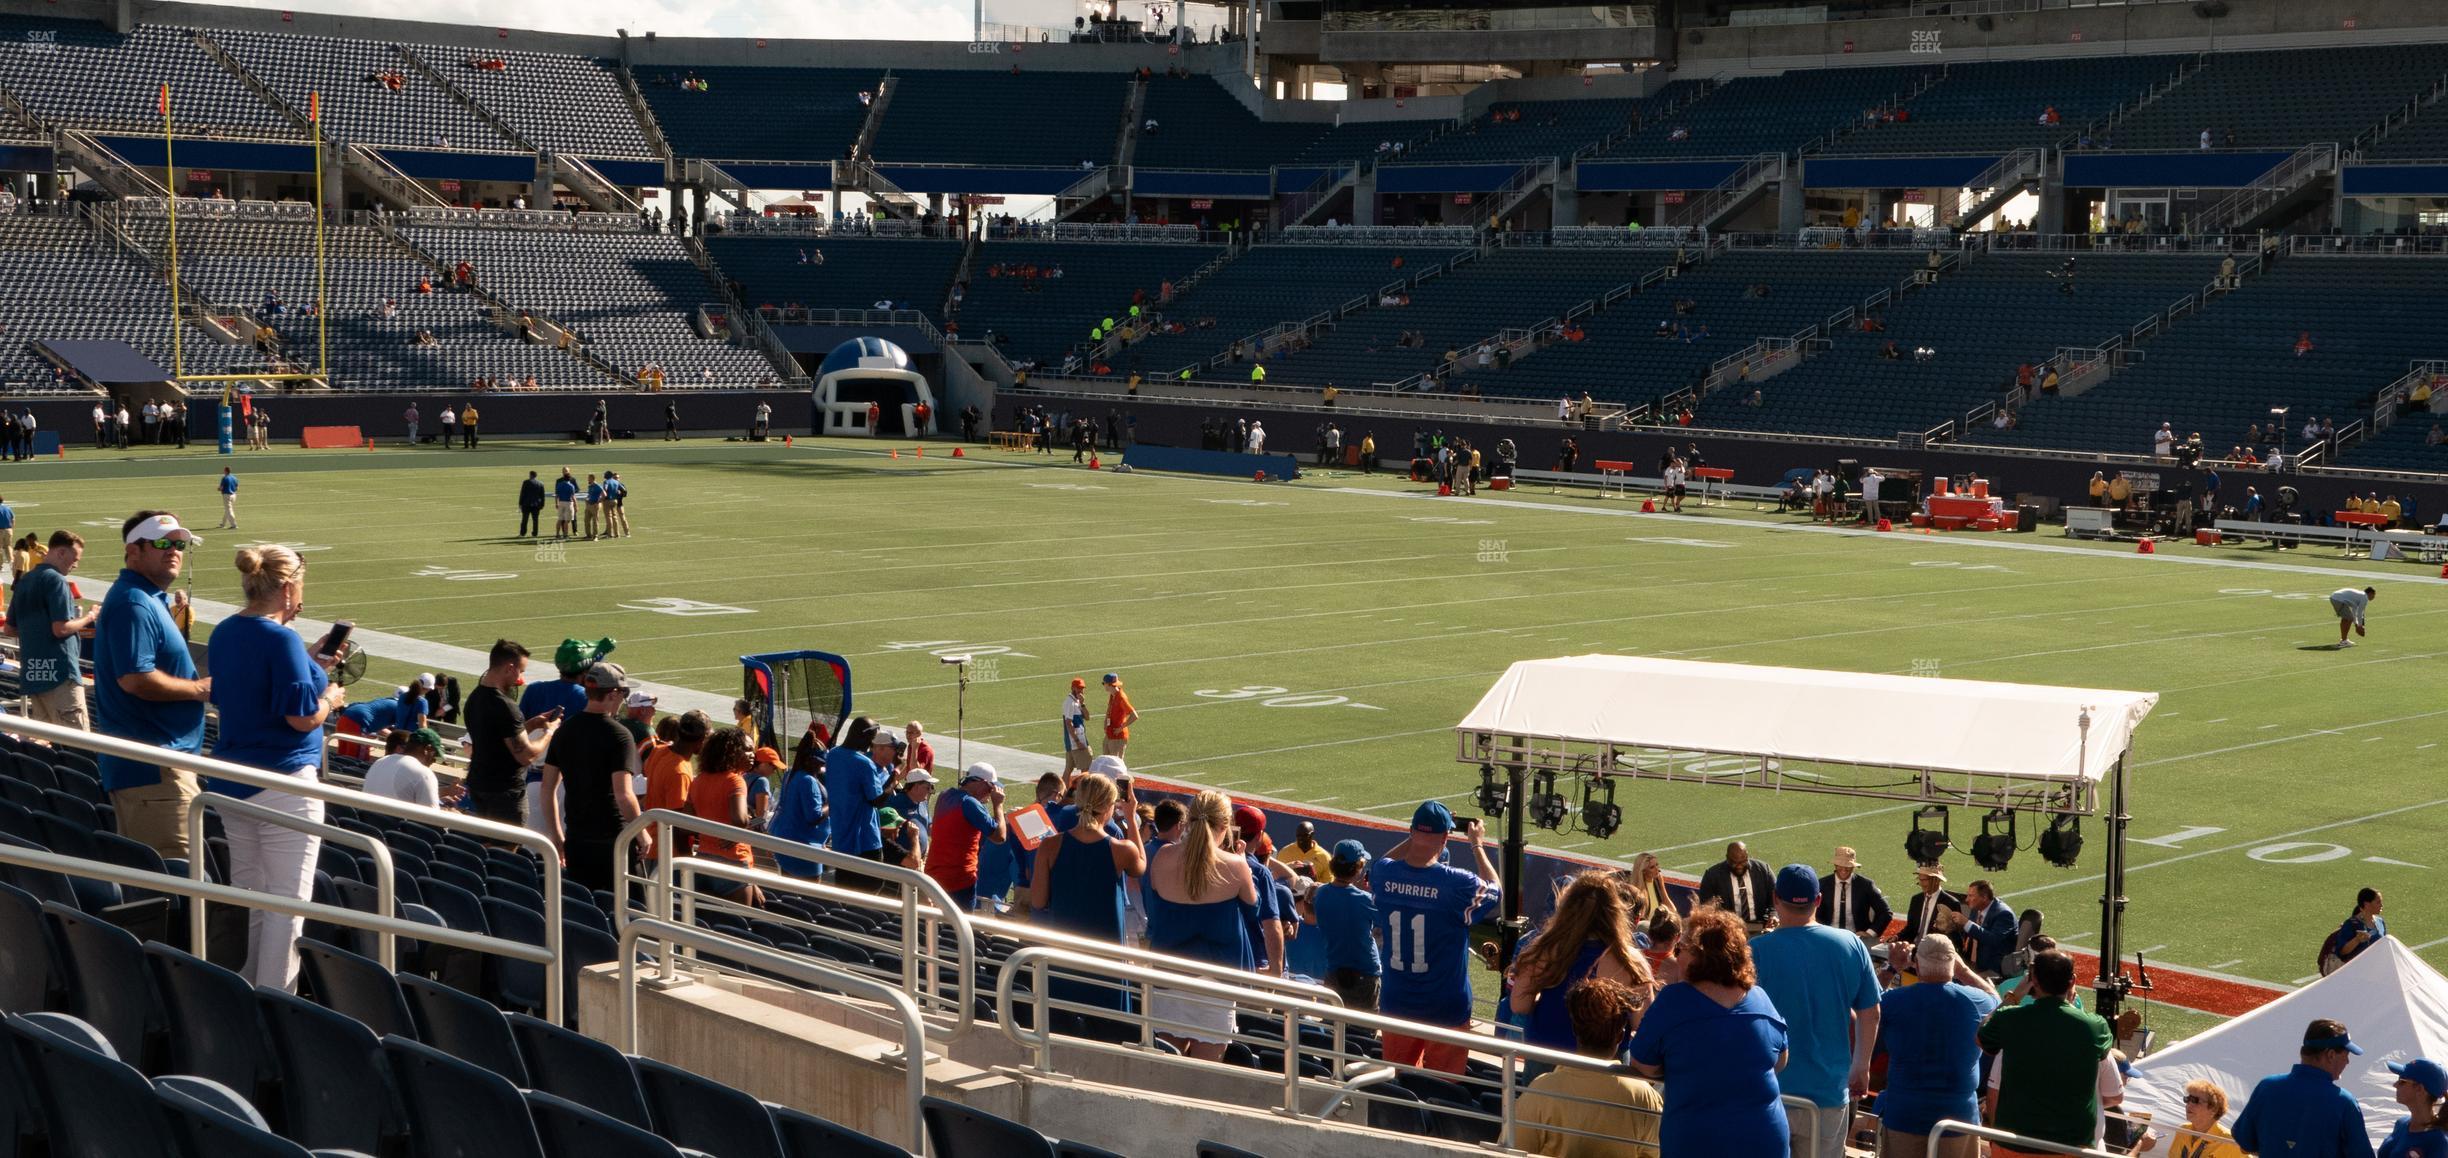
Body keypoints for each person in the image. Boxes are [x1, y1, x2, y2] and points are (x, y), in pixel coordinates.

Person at [205, 544, 350, 989]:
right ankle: (273, 1001)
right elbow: (302, 717)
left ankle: (249, 985)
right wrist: (330, 697)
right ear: (287, 588)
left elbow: (248, 685)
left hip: (232, 780)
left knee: (253, 898)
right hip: (283, 782)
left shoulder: (227, 630)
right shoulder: (281, 638)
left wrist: (309, 663)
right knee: (287, 906)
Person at [93, 511, 211, 859]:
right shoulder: (134, 602)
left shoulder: (147, 598)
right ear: (133, 551)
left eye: (178, 544)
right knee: (176, 881)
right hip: (155, 766)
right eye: (161, 543)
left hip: (159, 763)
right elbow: (135, 679)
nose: (173, 550)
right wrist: (200, 690)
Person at [1625, 905, 1789, 1156]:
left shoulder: (1674, 1000)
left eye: (1681, 949)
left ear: (1700, 957)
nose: (1676, 956)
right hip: (1764, 1140)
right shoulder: (1760, 998)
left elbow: (1642, 1064)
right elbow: (1780, 1060)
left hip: (1699, 1143)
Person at [1750, 865, 1878, 1158]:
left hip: (1769, 1091)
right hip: (1827, 1094)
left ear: (1775, 898)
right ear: (1819, 900)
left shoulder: (1755, 951)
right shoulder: (1850, 944)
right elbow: (1871, 1011)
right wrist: (1861, 1066)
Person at [1371, 801, 1500, 1073]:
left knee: (1396, 1084)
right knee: (1442, 1089)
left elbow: (1383, 863)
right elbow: (1495, 889)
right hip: (1445, 1005)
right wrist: (1477, 845)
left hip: (1397, 1001)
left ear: (1411, 831)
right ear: (1445, 837)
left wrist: (1415, 838)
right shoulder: (1458, 883)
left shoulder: (1384, 874)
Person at [1144, 790, 1259, 1061]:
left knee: (1164, 1067)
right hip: (1216, 983)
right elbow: (1254, 909)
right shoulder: (1235, 866)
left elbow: (1156, 899)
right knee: (1205, 1076)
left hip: (1169, 975)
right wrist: (1243, 864)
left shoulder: (1162, 857)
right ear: (1224, 826)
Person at [1028, 772, 1147, 1017]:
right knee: (1106, 1031)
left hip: (1064, 955)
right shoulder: (1121, 849)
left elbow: (1038, 901)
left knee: (1063, 1027)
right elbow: (1141, 865)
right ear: (1109, 807)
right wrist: (1131, 818)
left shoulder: (1050, 845)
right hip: (1106, 959)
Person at [1978, 949, 2115, 1155]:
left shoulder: (2010, 1019)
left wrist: (2014, 996)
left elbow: (1981, 1035)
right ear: (2072, 981)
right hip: (2070, 1146)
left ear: (2033, 980)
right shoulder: (2095, 1026)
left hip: (2015, 1143)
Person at [1510, 873, 1652, 1064]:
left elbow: (1519, 1005)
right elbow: (1642, 1024)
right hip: (1605, 1064)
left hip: (1547, 1055)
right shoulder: (1630, 961)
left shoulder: (1544, 949)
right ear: (1615, 912)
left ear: (1566, 908)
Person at [1516, 978, 1664, 1158]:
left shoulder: (1541, 1089)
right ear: (1620, 1036)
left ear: (1575, 1030)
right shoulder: (1646, 1098)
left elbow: (1516, 1149)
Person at [538, 661, 646, 894]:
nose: (623, 700)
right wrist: (642, 832)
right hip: (613, 840)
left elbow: (547, 789)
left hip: (577, 837)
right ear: (613, 693)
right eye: (623, 694)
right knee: (629, 913)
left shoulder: (564, 730)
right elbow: (623, 794)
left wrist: (557, 835)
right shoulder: (620, 735)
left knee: (586, 909)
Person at [2232, 1019, 2377, 1158]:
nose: (2347, 1062)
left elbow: (2245, 1145)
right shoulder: (2344, 1102)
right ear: (2331, 1055)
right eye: (2346, 1055)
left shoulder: (2267, 1087)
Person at [7, 530, 99, 729]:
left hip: (34, 671)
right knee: (78, 745)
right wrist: (89, 617)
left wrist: (37, 632)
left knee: (48, 741)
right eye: (74, 558)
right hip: (60, 673)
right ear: (61, 553)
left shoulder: (25, 581)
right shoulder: (56, 580)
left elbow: (9, 629)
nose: (75, 564)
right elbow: (61, 628)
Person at [460, 639, 556, 826]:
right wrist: (550, 732)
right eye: (520, 671)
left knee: (488, 845)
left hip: (479, 784)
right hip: (503, 791)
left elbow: (497, 737)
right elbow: (526, 756)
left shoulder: (475, 697)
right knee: (506, 850)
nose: (520, 678)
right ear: (510, 668)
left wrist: (532, 724)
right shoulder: (505, 706)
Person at [686, 726, 765, 908]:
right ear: (731, 751)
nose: (752, 754)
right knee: (736, 924)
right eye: (747, 749)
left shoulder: (698, 780)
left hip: (703, 858)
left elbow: (687, 823)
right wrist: (744, 823)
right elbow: (739, 820)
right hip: (733, 862)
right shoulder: (735, 780)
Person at [925, 763, 1008, 908]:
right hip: (959, 881)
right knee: (959, 927)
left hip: (935, 874)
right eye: (990, 788)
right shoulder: (970, 803)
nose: (990, 793)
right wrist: (998, 806)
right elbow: (1000, 837)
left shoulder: (945, 795)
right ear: (980, 783)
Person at [1313, 839, 1381, 1011]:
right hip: (1365, 974)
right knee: (1363, 1031)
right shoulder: (1364, 900)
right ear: (1357, 867)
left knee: (1334, 1027)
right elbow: (1385, 922)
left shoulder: (1320, 894)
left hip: (1334, 971)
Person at [768, 733, 830, 879]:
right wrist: (832, 803)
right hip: (805, 848)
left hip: (786, 843)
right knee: (811, 898)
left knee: (788, 895)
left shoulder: (790, 774)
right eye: (820, 763)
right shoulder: (808, 781)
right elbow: (814, 817)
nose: (822, 766)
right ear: (810, 761)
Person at [363, 728, 453, 810]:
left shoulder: (380, 761)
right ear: (427, 749)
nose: (434, 760)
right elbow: (431, 818)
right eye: (435, 754)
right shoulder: (424, 773)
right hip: (395, 825)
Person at [1815, 846, 1890, 943]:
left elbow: (1885, 912)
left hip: (1857, 940)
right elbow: (1811, 912)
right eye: (1841, 865)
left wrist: (1869, 933)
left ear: (1853, 866)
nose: (1844, 869)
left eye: (1848, 866)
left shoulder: (1866, 885)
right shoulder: (1822, 884)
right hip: (1827, 938)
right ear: (1835, 865)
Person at [1696, 841, 1775, 931]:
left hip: (1760, 926)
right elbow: (1706, 906)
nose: (1739, 866)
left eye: (1743, 861)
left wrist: (1773, 915)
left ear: (1747, 856)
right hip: (1728, 929)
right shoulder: (1712, 875)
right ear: (1727, 858)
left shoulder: (1763, 870)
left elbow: (1776, 896)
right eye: (1734, 862)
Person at [2378, 1059, 2446, 1158]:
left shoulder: (2439, 1141)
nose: (2395, 1085)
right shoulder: (2401, 1124)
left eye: (2402, 1082)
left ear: (2419, 1089)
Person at [2322, 887, 2388, 975]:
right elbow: (2342, 951)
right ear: (2367, 904)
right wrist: (2357, 940)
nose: (2381, 905)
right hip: (2356, 973)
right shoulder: (2351, 924)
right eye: (2378, 902)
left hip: (2375, 971)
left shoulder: (2380, 922)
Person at [1959, 879, 2018, 977]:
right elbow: (1972, 933)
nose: (1966, 899)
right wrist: (1955, 926)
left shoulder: (2004, 914)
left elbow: (1993, 940)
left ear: (1984, 897)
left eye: (1971, 896)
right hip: (1974, 963)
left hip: (1993, 968)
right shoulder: (1977, 908)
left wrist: (1966, 923)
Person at [1061, 677, 1094, 774]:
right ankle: (1083, 789)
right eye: (1078, 688)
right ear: (1072, 688)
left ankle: (1065, 789)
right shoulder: (1070, 702)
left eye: (1082, 688)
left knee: (1068, 769)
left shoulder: (1078, 701)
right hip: (1076, 741)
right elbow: (1068, 722)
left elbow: (1087, 717)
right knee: (1086, 767)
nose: (1081, 690)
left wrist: (1083, 703)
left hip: (1075, 741)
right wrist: (1077, 741)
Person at [1101, 672, 1137, 757]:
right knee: (1106, 761)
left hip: (1118, 736)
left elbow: (1134, 715)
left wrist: (1121, 728)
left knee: (1116, 764)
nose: (1103, 685)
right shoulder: (1112, 695)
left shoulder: (1121, 698)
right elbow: (1109, 710)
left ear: (1109, 684)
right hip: (1110, 733)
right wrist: (1105, 721)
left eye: (1103, 683)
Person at [517, 472, 546, 538]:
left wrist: (520, 503)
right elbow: (542, 496)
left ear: (531, 475)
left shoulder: (526, 482)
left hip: (526, 504)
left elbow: (522, 493)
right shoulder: (540, 483)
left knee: (524, 519)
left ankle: (522, 533)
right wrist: (542, 504)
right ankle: (535, 534)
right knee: (535, 520)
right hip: (536, 505)